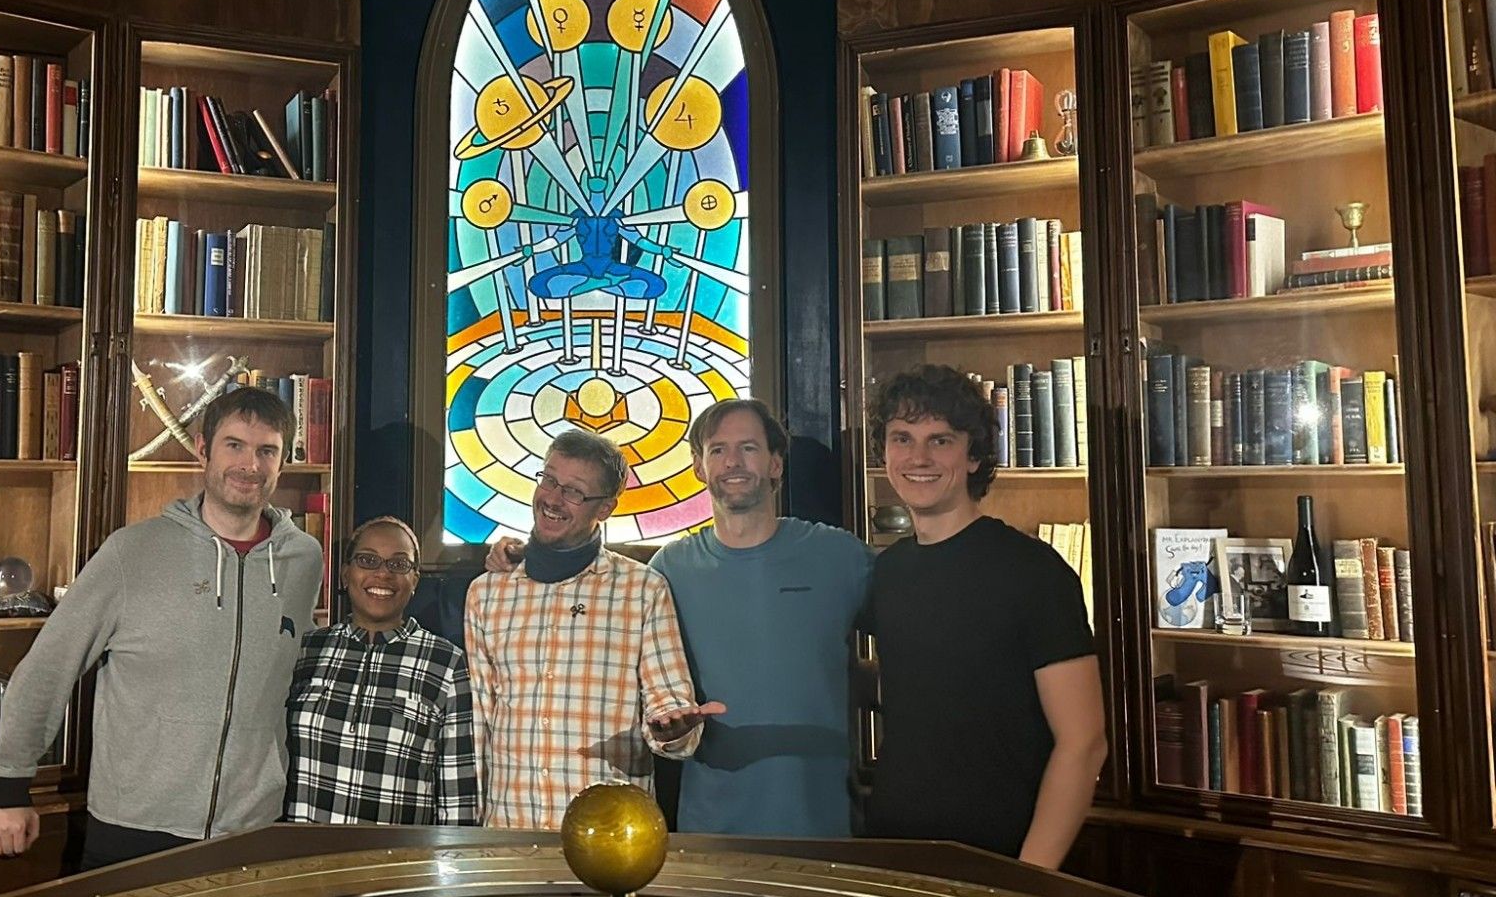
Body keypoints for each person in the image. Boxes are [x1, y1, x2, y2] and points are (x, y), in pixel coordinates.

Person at [0, 385, 324, 870]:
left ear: (282, 462)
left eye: (267, 450)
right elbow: (48, 668)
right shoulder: (131, 552)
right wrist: (8, 785)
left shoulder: (305, 558)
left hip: (251, 830)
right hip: (133, 826)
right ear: (203, 450)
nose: (251, 464)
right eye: (235, 445)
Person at [490, 399, 873, 837]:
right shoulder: (667, 570)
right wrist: (525, 557)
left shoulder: (837, 555)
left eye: (748, 447)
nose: (732, 461)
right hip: (708, 828)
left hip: (825, 824)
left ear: (776, 464)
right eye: (717, 449)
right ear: (698, 467)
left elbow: (917, 631)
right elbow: (586, 607)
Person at [860, 364, 1106, 870]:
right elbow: (924, 684)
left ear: (973, 456)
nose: (919, 458)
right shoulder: (887, 570)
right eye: (902, 438)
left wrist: (1030, 879)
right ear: (884, 453)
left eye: (940, 440)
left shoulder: (1033, 571)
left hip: (1002, 855)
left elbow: (1084, 743)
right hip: (896, 846)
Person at [464, 427, 722, 829]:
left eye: (573, 492)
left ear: (605, 509)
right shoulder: (487, 593)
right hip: (508, 830)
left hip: (611, 839)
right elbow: (479, 720)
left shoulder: (643, 590)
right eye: (549, 479)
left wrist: (672, 729)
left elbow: (671, 711)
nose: (551, 498)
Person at [285, 516, 477, 825]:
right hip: (304, 861)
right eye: (367, 560)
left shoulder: (446, 665)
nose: (383, 573)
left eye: (399, 565)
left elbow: (458, 801)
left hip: (394, 865)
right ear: (346, 574)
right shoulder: (307, 651)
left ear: (415, 579)